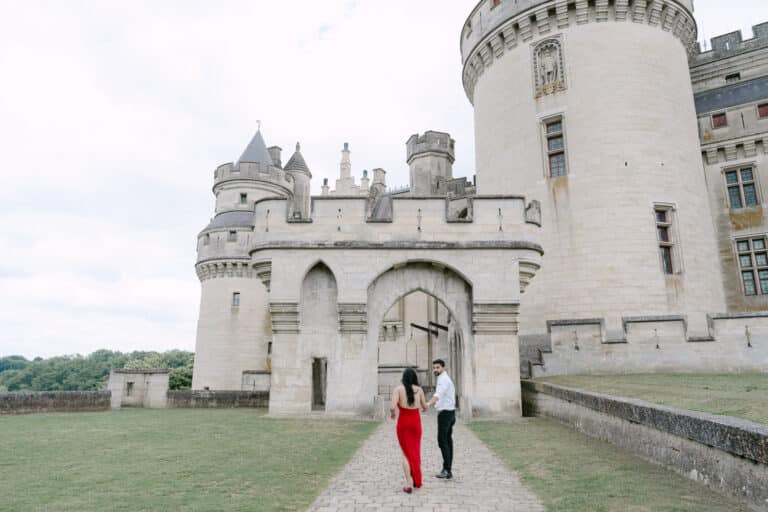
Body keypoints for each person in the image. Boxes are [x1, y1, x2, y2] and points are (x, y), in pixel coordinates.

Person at [390, 367, 428, 494]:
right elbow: (425, 407)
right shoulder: (420, 390)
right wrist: (424, 407)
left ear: (403, 377)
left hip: (403, 422)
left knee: (405, 453)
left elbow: (392, 406)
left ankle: (408, 483)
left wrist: (393, 414)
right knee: (415, 451)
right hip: (415, 422)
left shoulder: (398, 389)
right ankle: (416, 480)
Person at [427, 358, 456, 479]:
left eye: (438, 367)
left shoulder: (443, 379)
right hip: (449, 413)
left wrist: (427, 404)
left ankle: (447, 470)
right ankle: (447, 468)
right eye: (434, 368)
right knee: (447, 441)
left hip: (446, 414)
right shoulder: (442, 378)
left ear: (443, 368)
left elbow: (438, 395)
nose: (435, 370)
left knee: (442, 441)